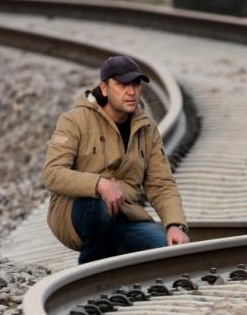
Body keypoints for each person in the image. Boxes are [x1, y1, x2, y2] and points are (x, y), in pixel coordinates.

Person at [43, 55, 190, 264]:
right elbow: (52, 173)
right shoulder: (74, 120)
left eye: (136, 84)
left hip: (124, 216)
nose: (131, 92)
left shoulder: (147, 129)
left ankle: (116, 259)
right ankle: (90, 272)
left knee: (168, 253)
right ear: (104, 88)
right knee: (99, 208)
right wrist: (99, 184)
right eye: (122, 85)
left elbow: (162, 184)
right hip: (77, 214)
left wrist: (175, 224)